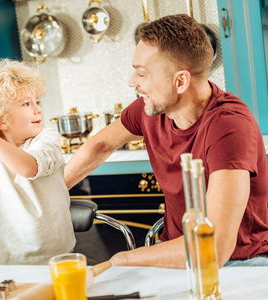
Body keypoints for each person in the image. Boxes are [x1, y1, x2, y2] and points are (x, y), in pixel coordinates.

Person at [64, 14, 268, 268]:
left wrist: (123, 259)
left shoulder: (229, 125)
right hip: (174, 252)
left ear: (180, 81)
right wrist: (51, 196)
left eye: (142, 73)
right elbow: (101, 145)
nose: (132, 83)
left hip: (239, 263)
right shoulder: (150, 109)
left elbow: (214, 247)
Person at [0, 60, 76, 265]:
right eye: (27, 104)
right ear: (0, 121)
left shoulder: (47, 138)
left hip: (56, 259)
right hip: (6, 261)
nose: (38, 110)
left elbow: (28, 167)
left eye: (37, 102)